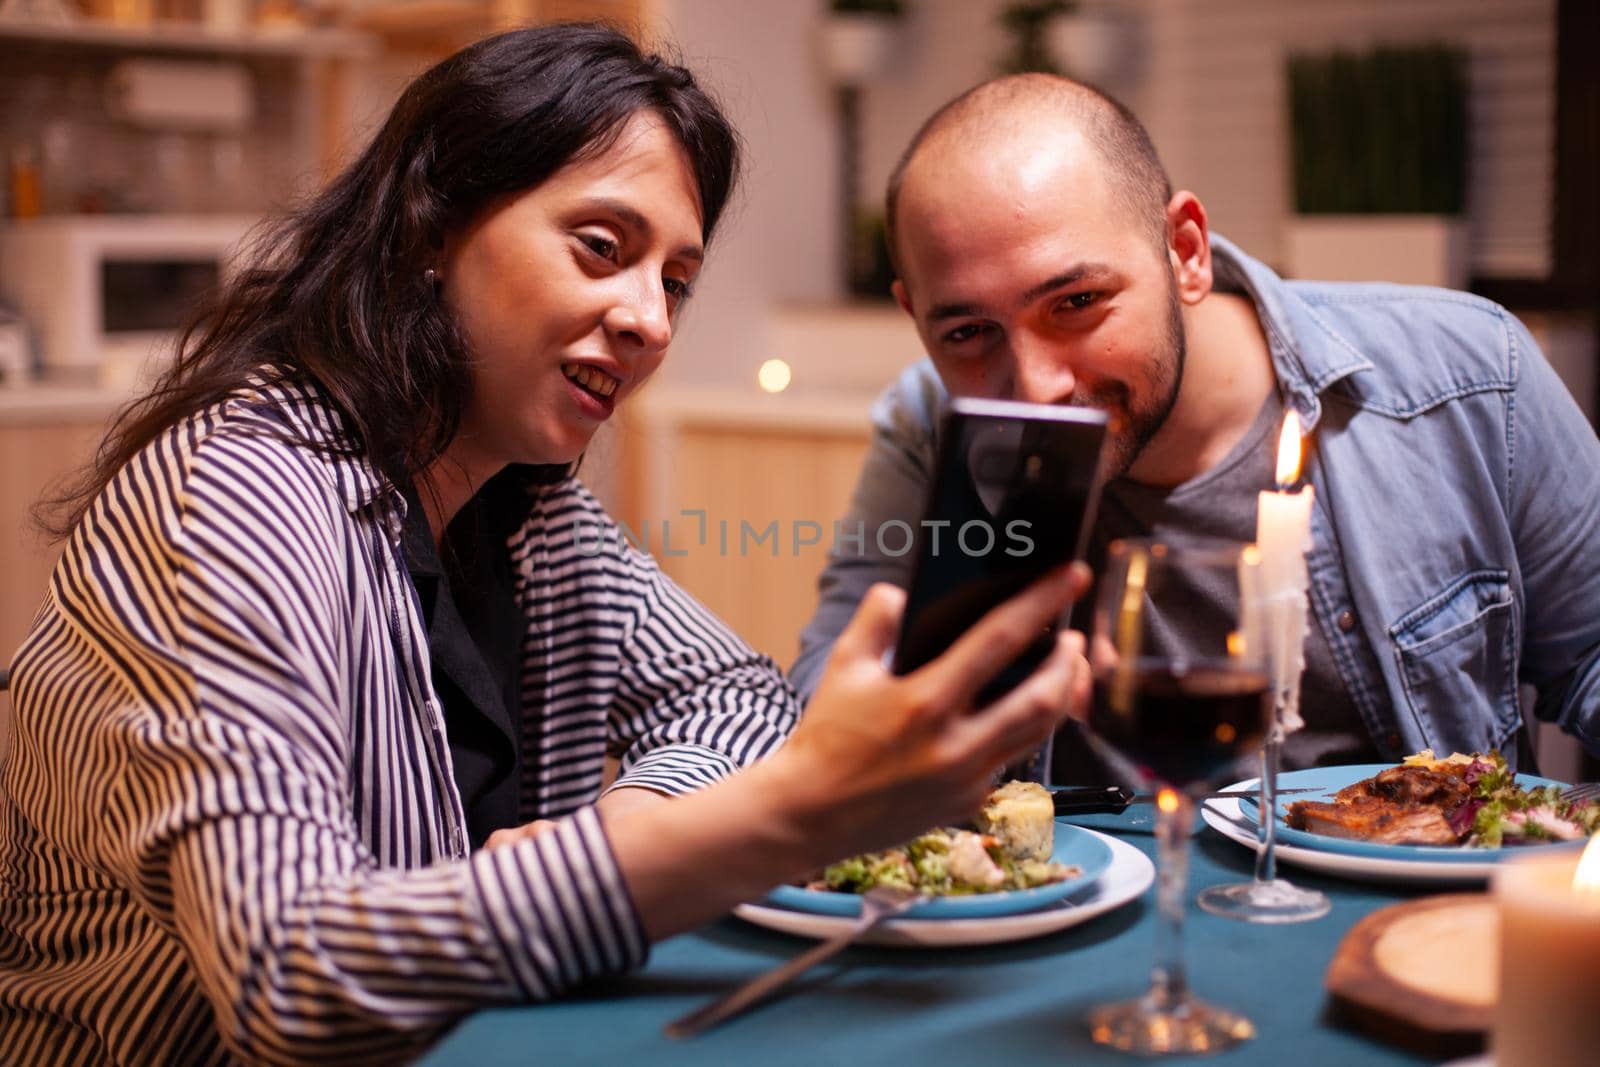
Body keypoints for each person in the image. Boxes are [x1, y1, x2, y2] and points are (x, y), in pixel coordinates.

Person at [0, 29, 1092, 1064]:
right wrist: (775, 817)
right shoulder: (235, 494)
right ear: (432, 230)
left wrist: (633, 813)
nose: (650, 320)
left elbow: (735, 696)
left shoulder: (529, 514)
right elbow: (288, 975)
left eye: (674, 281)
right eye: (601, 248)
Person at [791, 73, 1600, 777]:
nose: (1036, 387)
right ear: (915, 318)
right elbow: (824, 708)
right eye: (968, 334)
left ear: (1185, 250)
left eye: (1075, 303)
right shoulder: (933, 428)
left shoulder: (1469, 373)